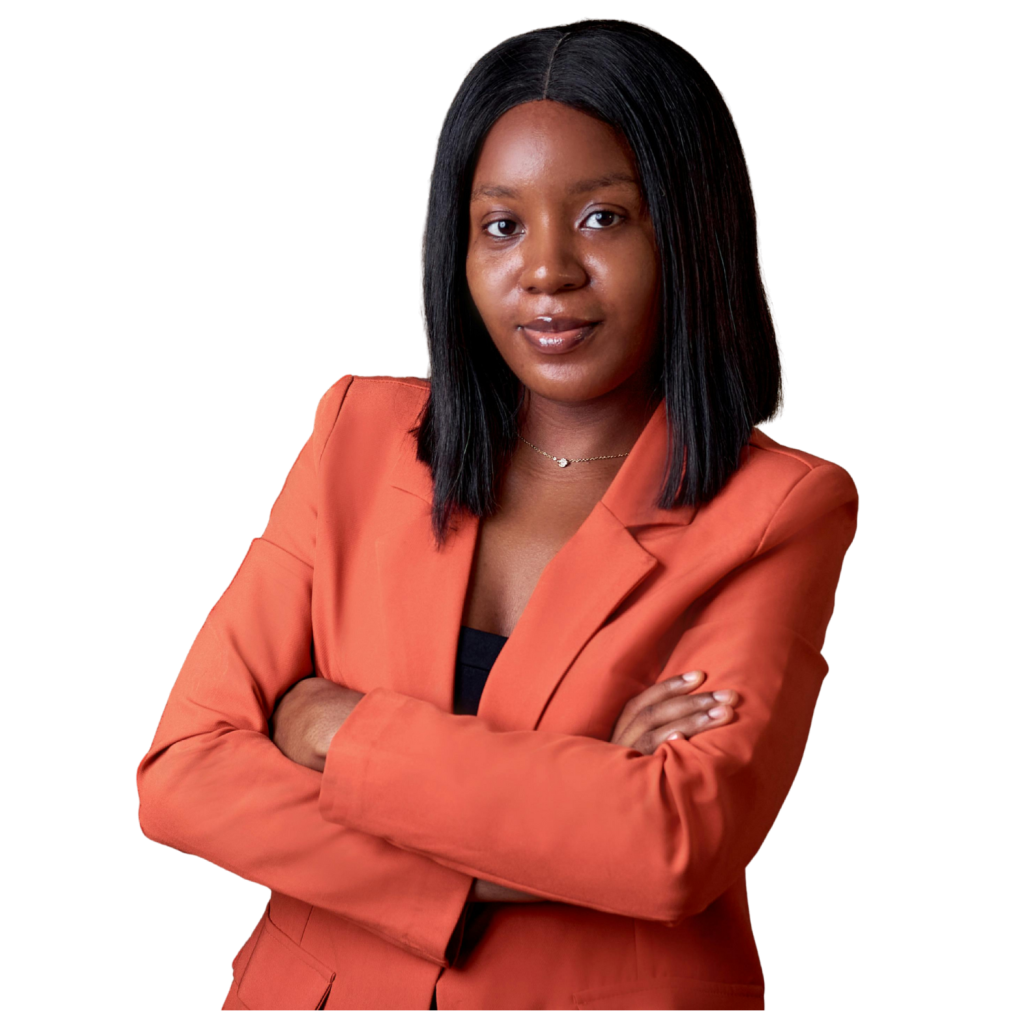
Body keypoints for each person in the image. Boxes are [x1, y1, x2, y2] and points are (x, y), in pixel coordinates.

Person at [136, 17, 859, 1010]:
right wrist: (558, 822)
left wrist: (336, 731)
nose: (547, 270)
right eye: (502, 226)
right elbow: (183, 775)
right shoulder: (355, 431)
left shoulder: (780, 508)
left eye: (602, 217)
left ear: (691, 228)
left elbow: (670, 846)